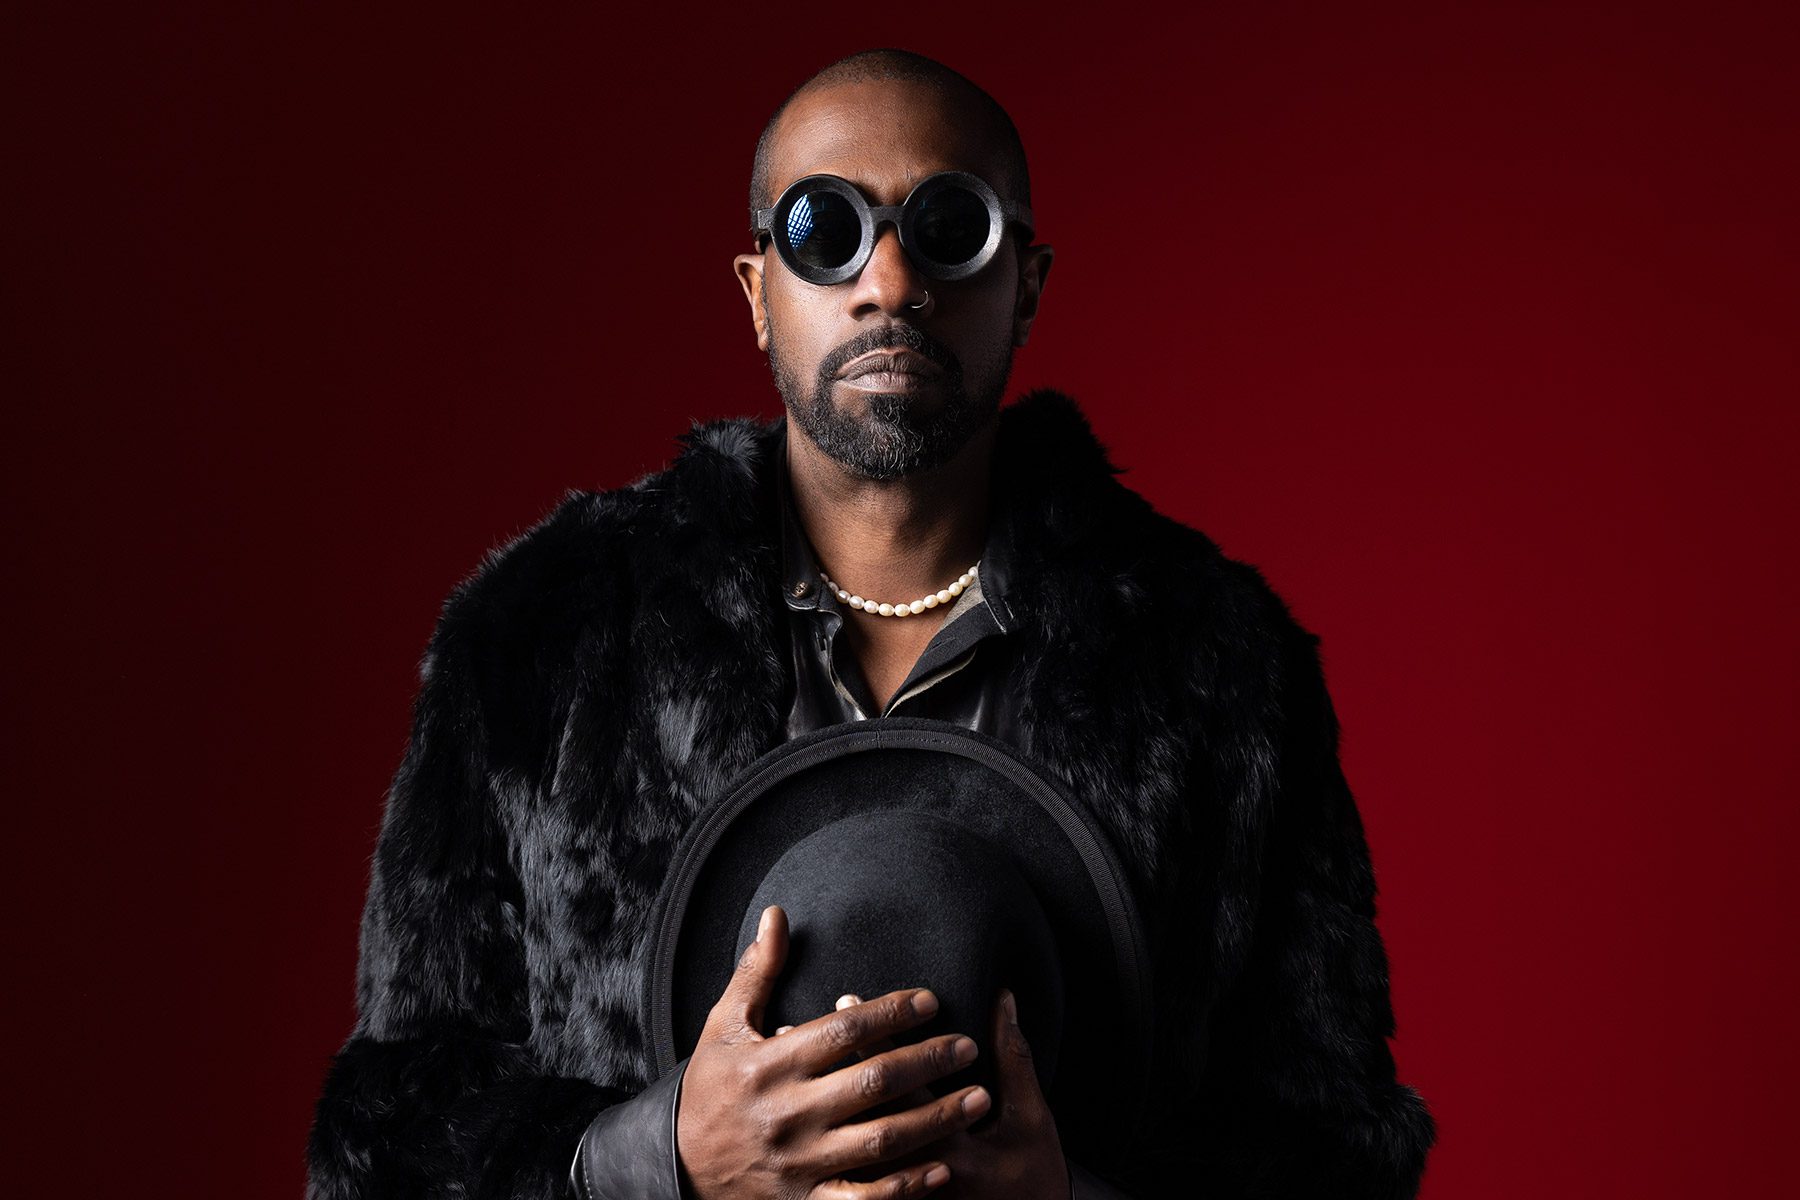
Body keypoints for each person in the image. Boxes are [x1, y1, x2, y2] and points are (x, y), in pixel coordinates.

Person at [306, 48, 1435, 1200]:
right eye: (825, 230)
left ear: (1028, 285)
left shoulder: (1218, 666)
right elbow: (389, 1136)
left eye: (949, 230)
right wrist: (662, 1155)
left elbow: (1338, 1153)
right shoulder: (546, 639)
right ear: (757, 293)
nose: (890, 282)